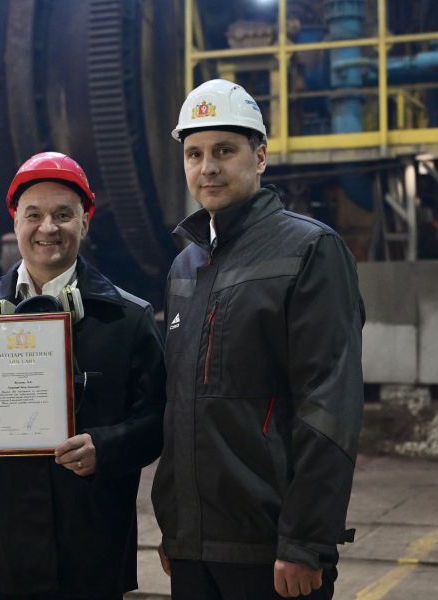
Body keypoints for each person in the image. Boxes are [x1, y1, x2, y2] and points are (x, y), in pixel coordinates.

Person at [0, 151, 165, 600]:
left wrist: (107, 447)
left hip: (92, 547)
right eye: (34, 215)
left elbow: (161, 418)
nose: (48, 228)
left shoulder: (127, 319)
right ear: (15, 222)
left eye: (63, 215)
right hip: (1, 549)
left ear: (85, 222)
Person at [151, 79, 365, 599]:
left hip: (272, 551)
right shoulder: (186, 266)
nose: (208, 167)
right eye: (195, 154)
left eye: (225, 150)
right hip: (193, 548)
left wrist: (305, 540)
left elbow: (329, 404)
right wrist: (178, 527)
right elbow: (180, 407)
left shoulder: (309, 250)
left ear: (261, 156)